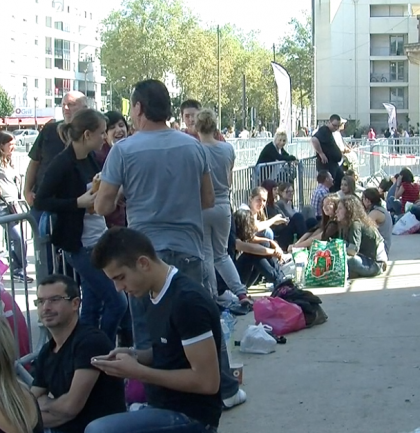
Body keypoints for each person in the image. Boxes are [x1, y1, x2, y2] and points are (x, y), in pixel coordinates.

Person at [95, 79, 214, 352]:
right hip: (189, 249)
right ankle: (217, 386)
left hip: (144, 256)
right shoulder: (194, 146)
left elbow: (103, 206)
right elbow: (208, 199)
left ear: (138, 108)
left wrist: (125, 192)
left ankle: (155, 391)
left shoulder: (123, 151)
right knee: (195, 330)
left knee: (149, 340)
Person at [87, 228, 222, 433]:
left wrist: (139, 372)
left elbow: (208, 382)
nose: (118, 288)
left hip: (193, 416)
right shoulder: (152, 292)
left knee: (98, 430)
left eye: (120, 277)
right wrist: (134, 355)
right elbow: (170, 353)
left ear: (143, 263)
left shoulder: (187, 301)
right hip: (163, 406)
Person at [34, 108, 128, 344]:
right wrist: (77, 202)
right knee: (117, 303)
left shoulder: (89, 158)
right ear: (87, 135)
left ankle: (86, 353)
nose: (103, 137)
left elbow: (95, 189)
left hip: (97, 237)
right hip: (80, 244)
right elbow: (42, 199)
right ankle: (100, 347)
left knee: (92, 306)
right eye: (100, 133)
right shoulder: (62, 164)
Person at [31, 274, 126, 433]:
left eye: (54, 300)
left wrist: (46, 404)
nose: (46, 307)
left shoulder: (90, 342)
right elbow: (29, 403)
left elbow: (70, 408)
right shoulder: (47, 351)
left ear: (75, 304)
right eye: (40, 301)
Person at [194, 108, 247, 303]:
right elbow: (230, 179)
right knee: (222, 254)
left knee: (206, 254)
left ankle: (212, 296)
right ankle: (241, 292)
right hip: (223, 203)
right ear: (216, 127)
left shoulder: (196, 149)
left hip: (201, 205)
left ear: (196, 128)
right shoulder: (227, 149)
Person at [0, 132, 32, 282]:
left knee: (14, 238)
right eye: (10, 144)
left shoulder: (8, 160)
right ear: (1, 145)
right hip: (1, 205)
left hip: (12, 204)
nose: (13, 147)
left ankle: (17, 269)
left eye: (14, 144)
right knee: (17, 237)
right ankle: (19, 268)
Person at [25, 92, 87, 208]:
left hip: (74, 203)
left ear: (85, 108)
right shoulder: (49, 130)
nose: (66, 108)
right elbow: (34, 162)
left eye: (71, 104)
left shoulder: (90, 134)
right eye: (63, 105)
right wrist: (27, 191)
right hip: (43, 201)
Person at [337, 196, 388, 279]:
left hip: (376, 264)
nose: (336, 211)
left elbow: (353, 250)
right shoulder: (346, 225)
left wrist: (338, 250)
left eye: (340, 209)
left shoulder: (355, 224)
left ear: (348, 210)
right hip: (364, 259)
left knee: (347, 260)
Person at [233, 208, 287, 288]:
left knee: (264, 244)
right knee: (252, 254)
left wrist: (276, 247)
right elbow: (252, 249)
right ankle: (277, 278)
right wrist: (274, 252)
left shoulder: (242, 235)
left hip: (242, 278)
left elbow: (265, 241)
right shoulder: (233, 239)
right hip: (233, 280)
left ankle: (280, 276)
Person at [94, 111, 129, 229]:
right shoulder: (99, 157)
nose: (119, 130)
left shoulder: (132, 150)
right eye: (112, 127)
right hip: (110, 221)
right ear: (105, 134)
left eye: (121, 125)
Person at [311, 114, 344, 192]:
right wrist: (321, 153)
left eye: (338, 126)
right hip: (326, 165)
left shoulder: (330, 133)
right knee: (329, 186)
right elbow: (314, 139)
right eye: (334, 125)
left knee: (340, 182)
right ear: (329, 122)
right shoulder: (324, 130)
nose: (336, 128)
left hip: (334, 164)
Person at [362, 188, 392, 255]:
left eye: (363, 199)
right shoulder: (381, 209)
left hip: (381, 250)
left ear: (368, 201)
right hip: (382, 247)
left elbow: (363, 228)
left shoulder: (375, 213)